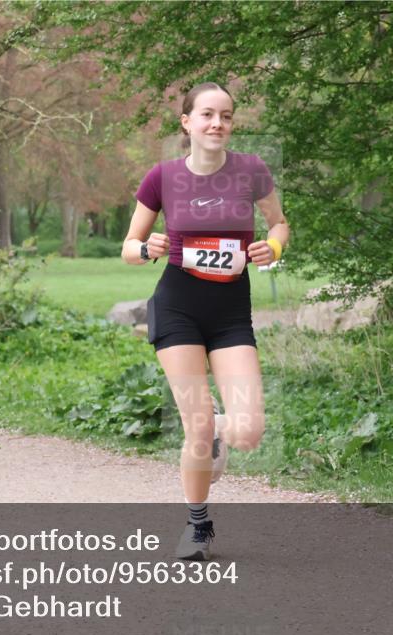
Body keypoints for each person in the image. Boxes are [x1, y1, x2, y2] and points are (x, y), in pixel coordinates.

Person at [123, 82, 289, 560]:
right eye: (208, 115)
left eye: (227, 116)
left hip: (230, 314)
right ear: (187, 122)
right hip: (177, 308)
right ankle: (199, 527)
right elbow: (129, 247)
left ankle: (219, 427)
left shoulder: (251, 171)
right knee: (195, 428)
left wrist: (271, 248)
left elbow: (280, 223)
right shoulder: (163, 177)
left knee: (246, 432)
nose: (218, 123)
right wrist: (147, 247)